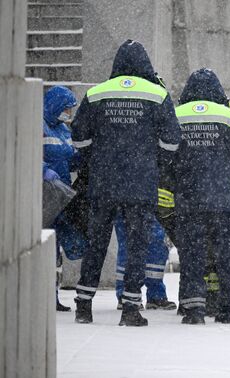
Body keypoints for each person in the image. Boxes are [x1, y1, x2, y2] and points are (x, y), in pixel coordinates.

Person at [71, 39, 181, 326]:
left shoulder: (97, 93)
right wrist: (152, 161)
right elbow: (171, 142)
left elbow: (79, 137)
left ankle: (84, 305)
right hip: (141, 183)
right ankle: (131, 308)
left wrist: (96, 159)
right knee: (137, 246)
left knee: (97, 244)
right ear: (145, 64)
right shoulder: (157, 94)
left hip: (103, 182)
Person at [172, 68, 230, 325]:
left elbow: (167, 156)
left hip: (189, 199)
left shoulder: (177, 115)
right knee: (227, 256)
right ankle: (228, 309)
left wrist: (180, 178)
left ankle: (195, 309)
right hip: (225, 200)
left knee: (193, 254)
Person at [42, 85, 86, 312]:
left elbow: (70, 158)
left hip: (62, 195)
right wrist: (43, 170)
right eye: (67, 109)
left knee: (56, 249)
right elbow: (30, 153)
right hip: (45, 194)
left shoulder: (63, 130)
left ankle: (53, 295)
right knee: (47, 247)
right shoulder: (39, 126)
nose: (69, 114)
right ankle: (44, 295)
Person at [114, 216, 177, 310]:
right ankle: (126, 296)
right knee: (128, 245)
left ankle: (156, 296)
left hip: (152, 207)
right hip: (125, 207)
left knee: (157, 246)